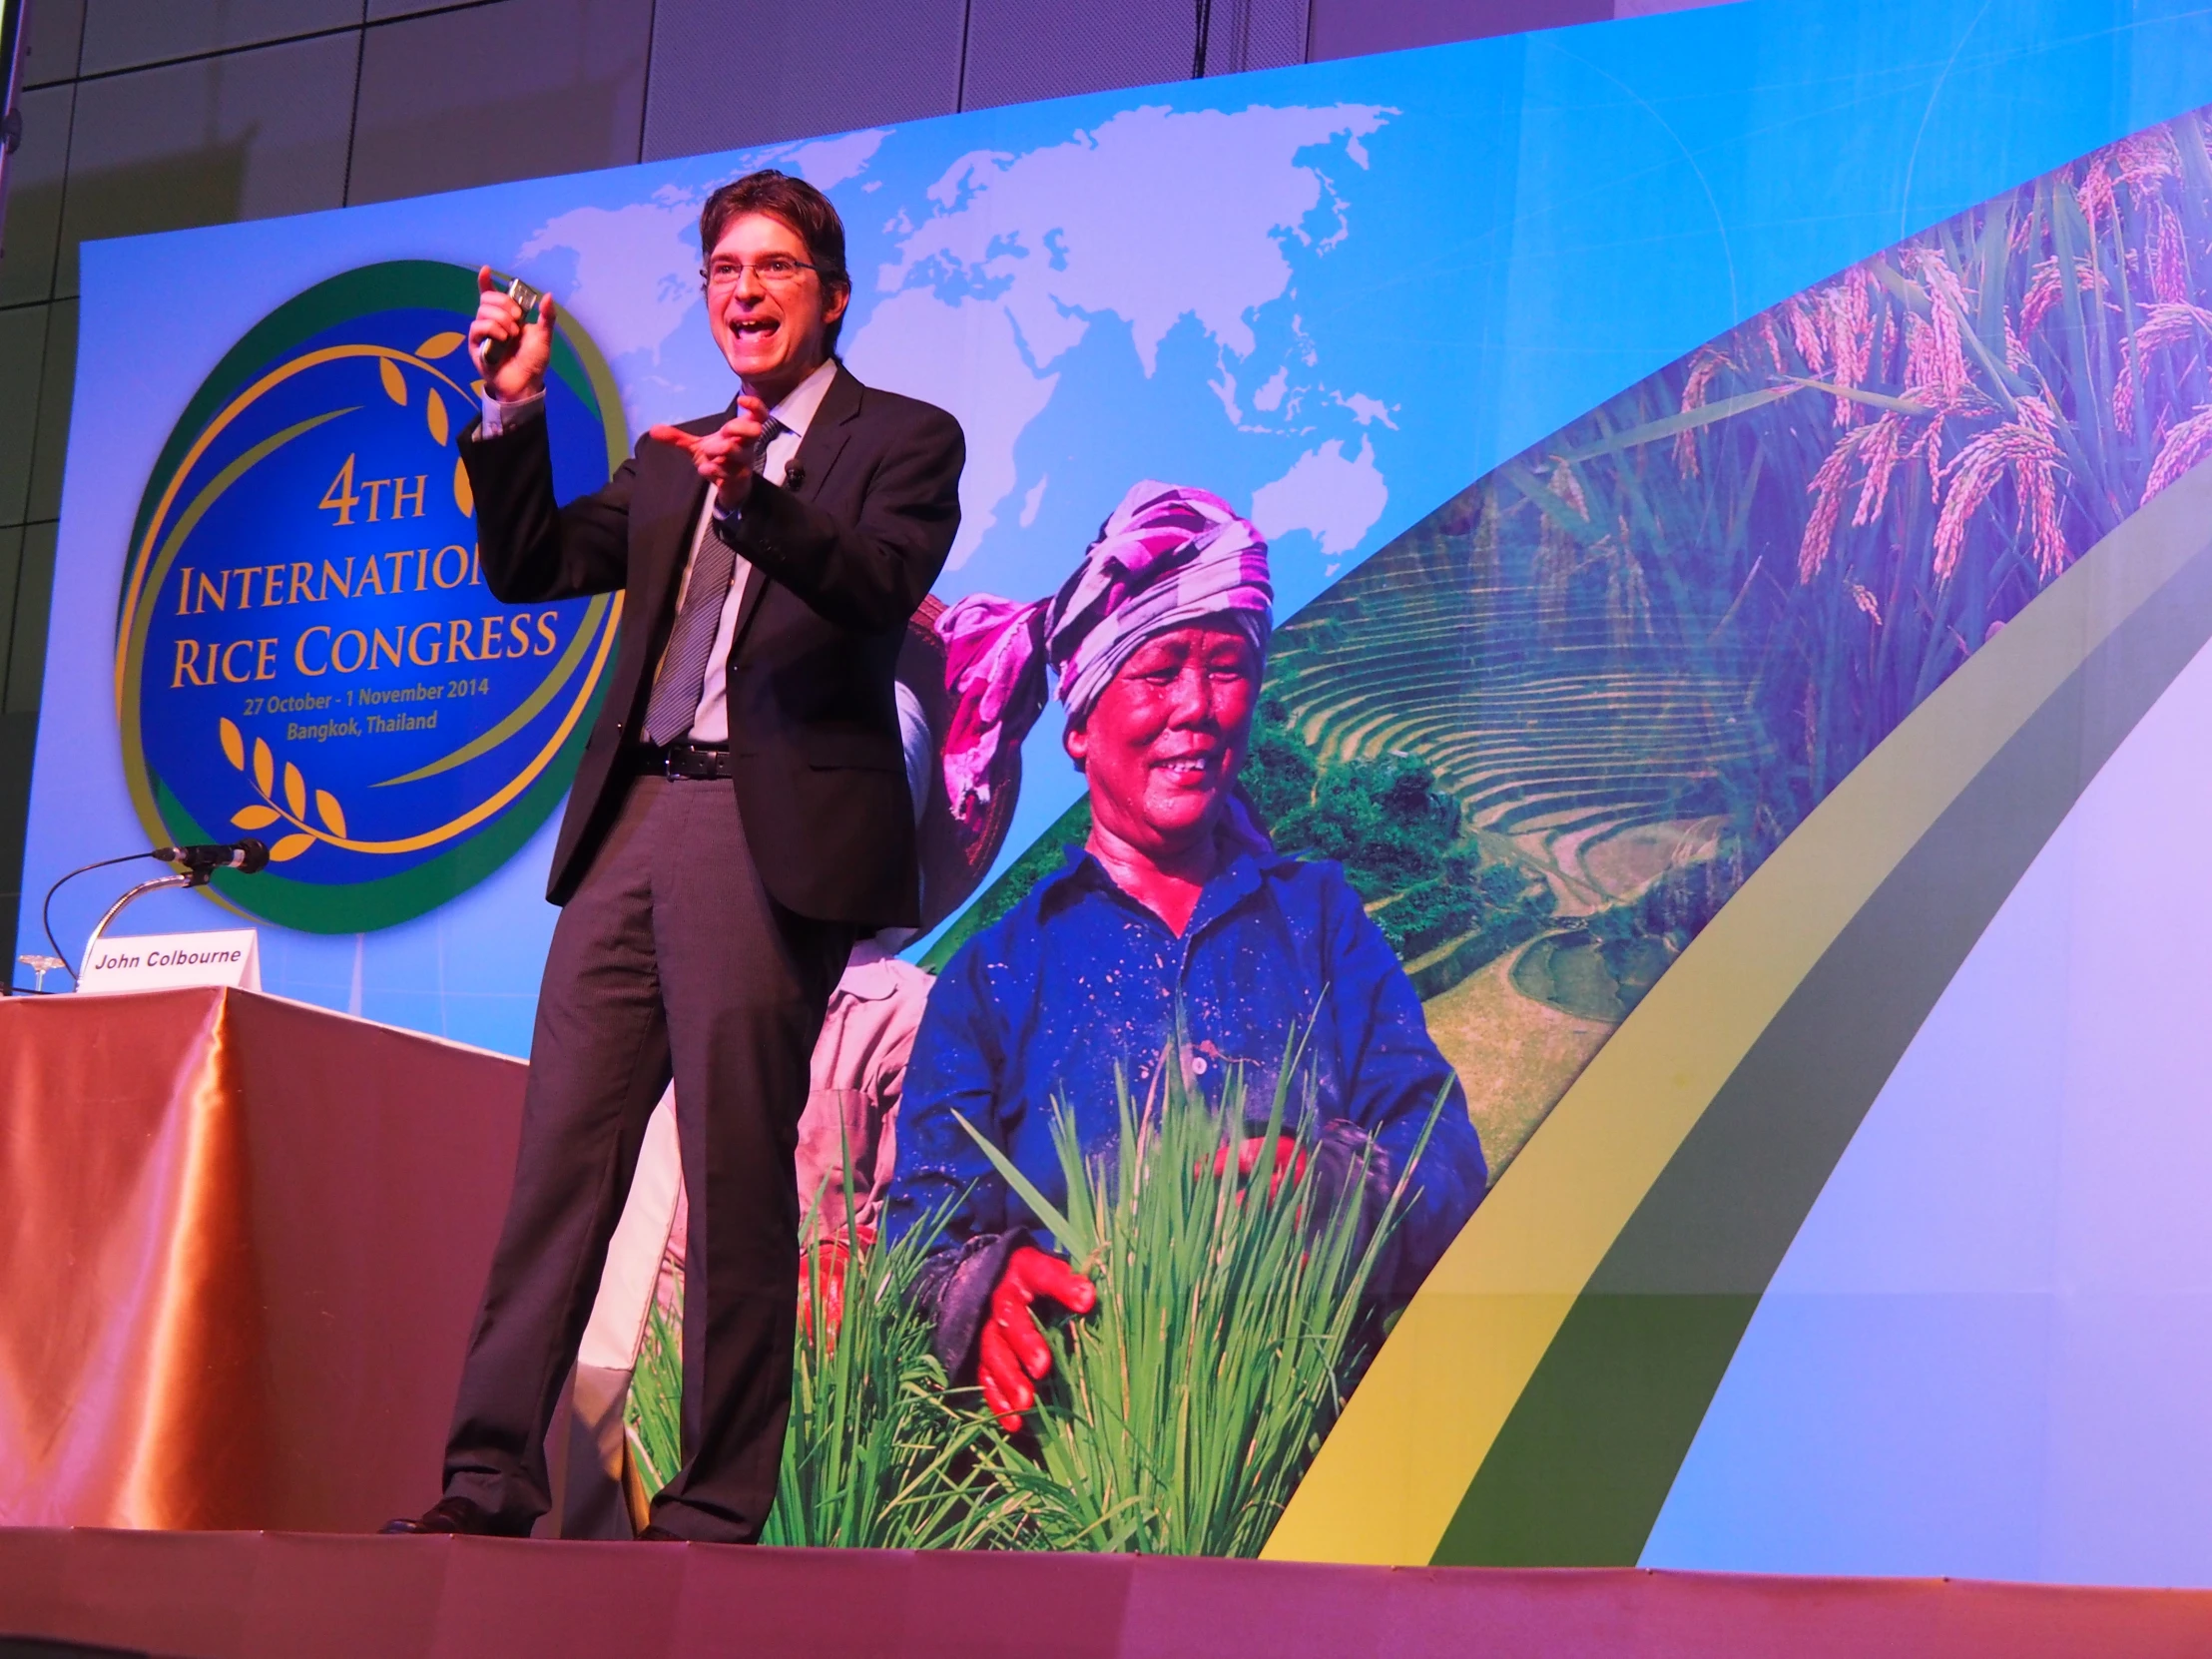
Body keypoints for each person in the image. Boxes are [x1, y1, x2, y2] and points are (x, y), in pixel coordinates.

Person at [383, 170, 964, 1544]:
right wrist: (512, 410)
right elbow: (527, 564)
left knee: (735, 1163)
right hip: (633, 819)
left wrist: (755, 494)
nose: (742, 292)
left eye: (770, 268)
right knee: (558, 1169)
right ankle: (486, 1482)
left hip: (761, 837)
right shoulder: (669, 452)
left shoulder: (905, 438)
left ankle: (710, 1504)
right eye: (720, 271)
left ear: (829, 293)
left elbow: (877, 585)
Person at [885, 481, 1488, 1431]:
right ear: (1080, 723)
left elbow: (1444, 1148)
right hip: (1081, 1458)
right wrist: (980, 1291)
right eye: (1161, 669)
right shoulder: (999, 974)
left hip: (1316, 1448)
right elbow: (918, 1237)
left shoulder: (1319, 919)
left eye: (1228, 667)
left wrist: (1333, 1187)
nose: (1200, 707)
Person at [559, 602, 1020, 1538]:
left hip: (796, 1400)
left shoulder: (906, 1011)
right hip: (630, 1365)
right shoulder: (667, 971)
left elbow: (924, 1216)